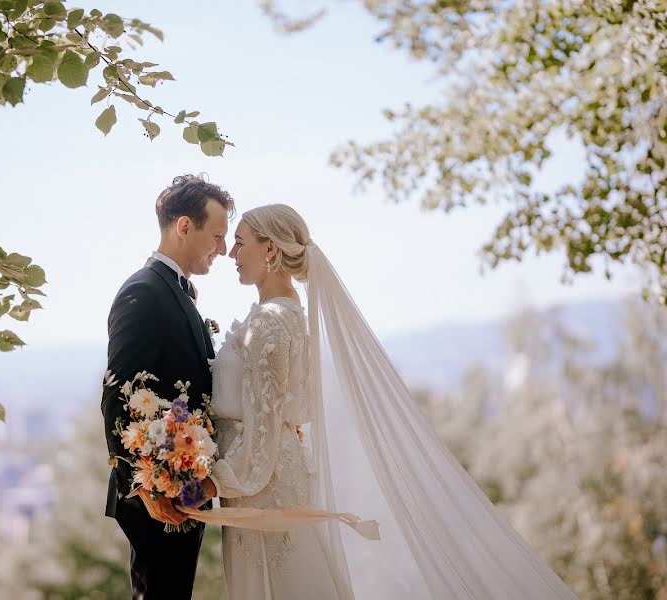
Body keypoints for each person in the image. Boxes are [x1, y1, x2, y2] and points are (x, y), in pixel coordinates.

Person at [194, 204, 579, 600]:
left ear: (271, 249)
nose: (231, 255)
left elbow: (263, 435)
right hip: (267, 482)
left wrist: (206, 484)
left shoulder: (271, 321)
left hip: (263, 490)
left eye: (240, 244)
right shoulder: (286, 313)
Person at [101, 174, 234, 599]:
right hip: (157, 497)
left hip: (184, 487)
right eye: (216, 235)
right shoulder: (143, 292)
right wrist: (143, 485)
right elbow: (115, 394)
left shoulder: (180, 292)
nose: (224, 249)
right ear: (183, 226)